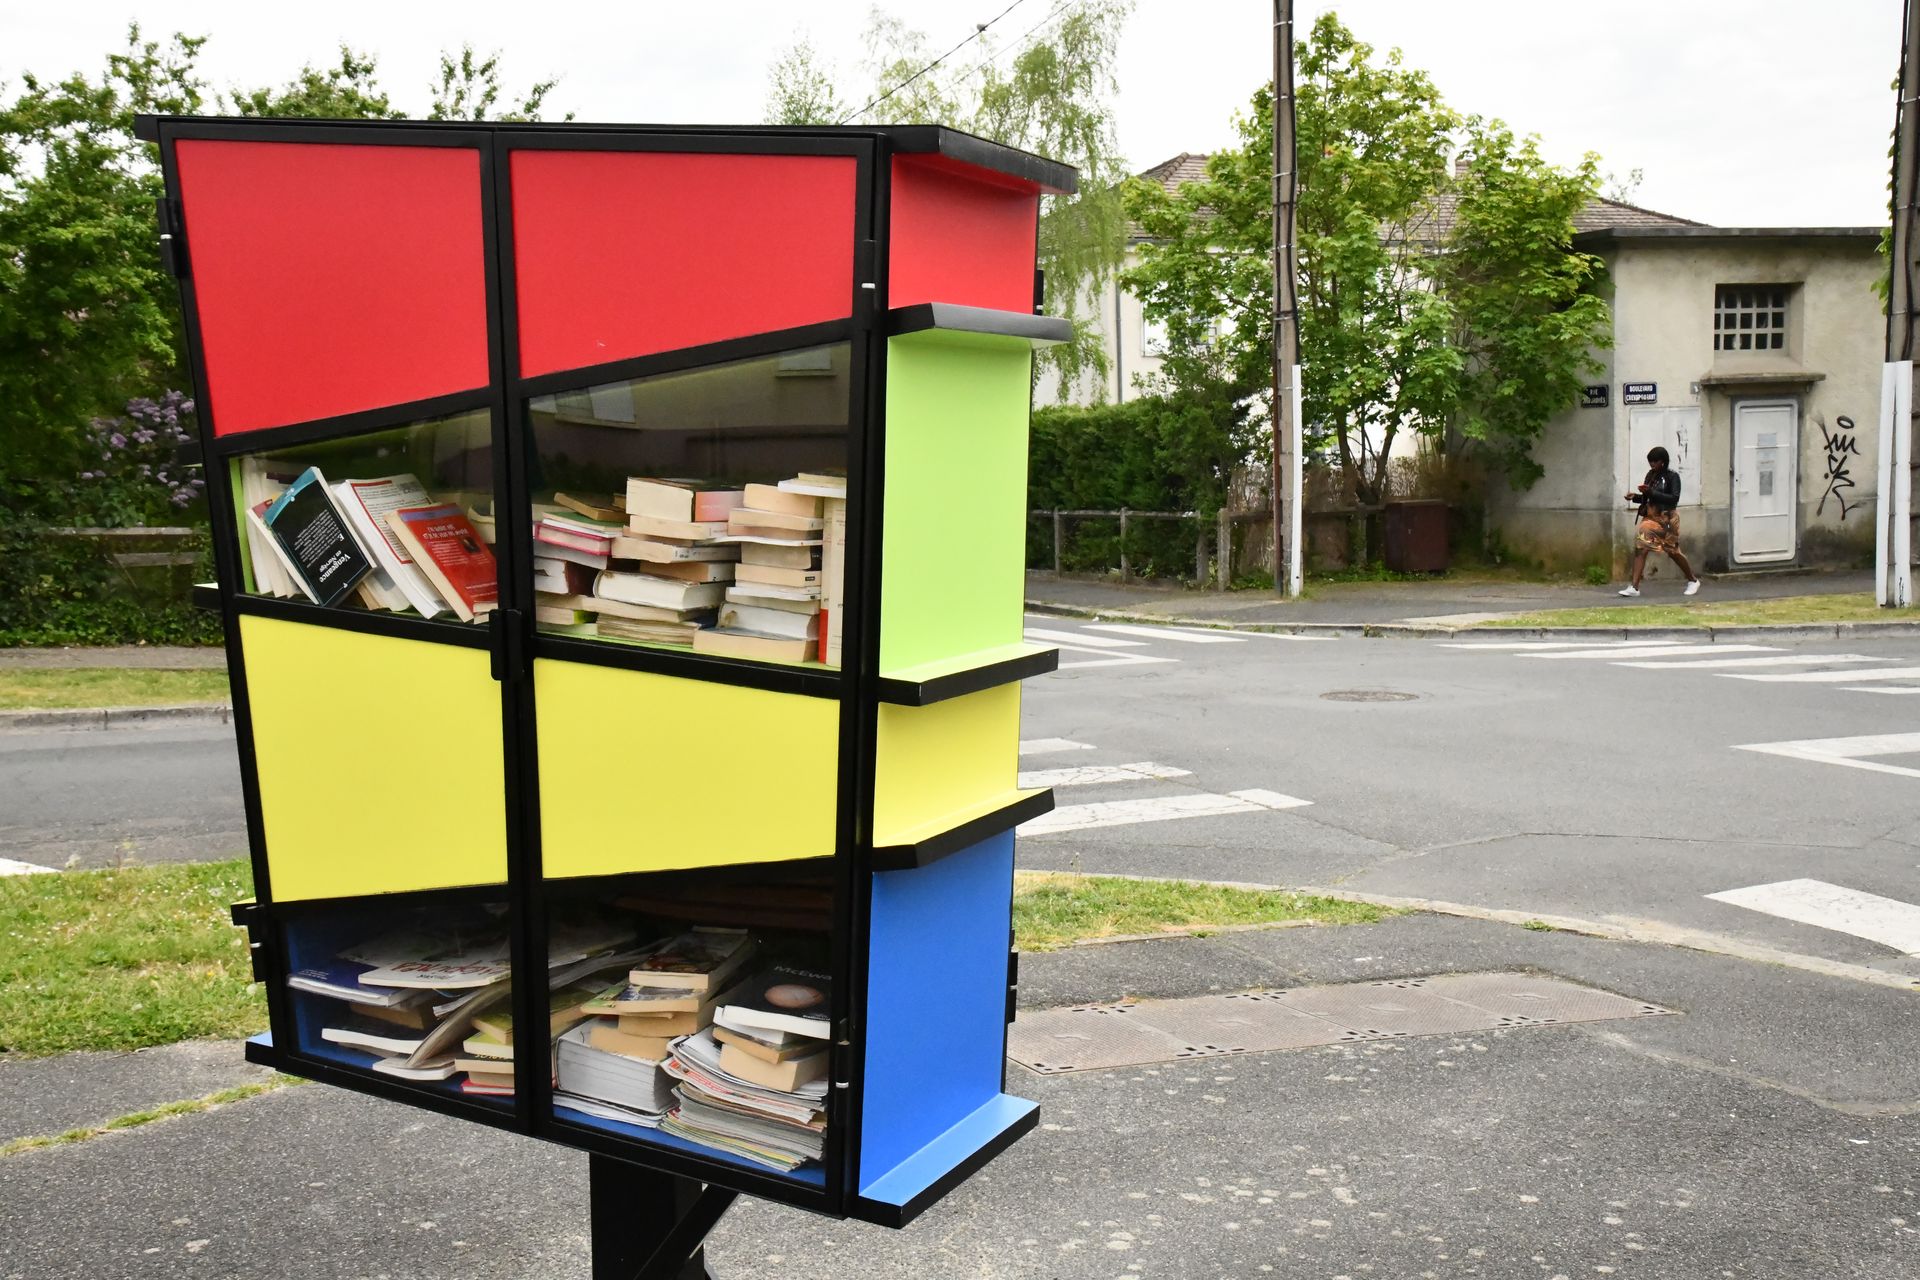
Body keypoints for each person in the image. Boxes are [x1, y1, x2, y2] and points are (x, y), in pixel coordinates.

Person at [1618, 446, 1700, 597]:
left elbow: (1674, 498)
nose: (1652, 465)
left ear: (1663, 461)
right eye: (1650, 462)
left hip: (1667, 518)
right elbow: (1648, 498)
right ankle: (1634, 587)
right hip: (1651, 518)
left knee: (1673, 551)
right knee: (1641, 546)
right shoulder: (1651, 475)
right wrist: (1635, 497)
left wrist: (1651, 492)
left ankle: (1693, 580)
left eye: (1655, 462)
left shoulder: (1672, 476)